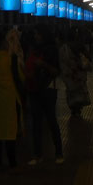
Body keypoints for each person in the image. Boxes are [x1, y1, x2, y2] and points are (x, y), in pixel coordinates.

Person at [24, 25, 63, 165]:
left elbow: (56, 71)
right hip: (34, 88)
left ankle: (58, 152)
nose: (36, 37)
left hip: (47, 88)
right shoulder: (33, 50)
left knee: (51, 121)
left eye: (38, 34)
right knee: (36, 122)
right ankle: (37, 154)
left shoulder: (52, 51)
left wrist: (43, 64)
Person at [0, 29, 24, 170]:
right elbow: (18, 76)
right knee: (10, 130)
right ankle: (12, 162)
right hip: (9, 97)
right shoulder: (10, 58)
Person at [59, 29, 91, 116]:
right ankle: (78, 108)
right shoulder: (80, 45)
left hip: (69, 73)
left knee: (71, 90)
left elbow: (62, 61)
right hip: (80, 72)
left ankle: (74, 108)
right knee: (80, 89)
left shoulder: (64, 48)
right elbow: (88, 56)